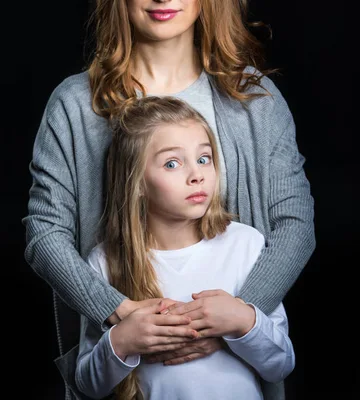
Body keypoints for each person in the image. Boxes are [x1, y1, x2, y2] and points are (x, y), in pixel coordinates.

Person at [22, 0, 315, 399]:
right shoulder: (74, 104)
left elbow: (295, 226)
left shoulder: (254, 97)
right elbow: (44, 235)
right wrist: (119, 313)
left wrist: (235, 320)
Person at [75, 95, 295, 400]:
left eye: (204, 158)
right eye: (172, 163)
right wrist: (122, 341)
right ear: (137, 182)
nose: (197, 175)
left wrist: (244, 321)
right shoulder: (104, 262)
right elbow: (87, 384)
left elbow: (281, 365)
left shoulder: (245, 244)